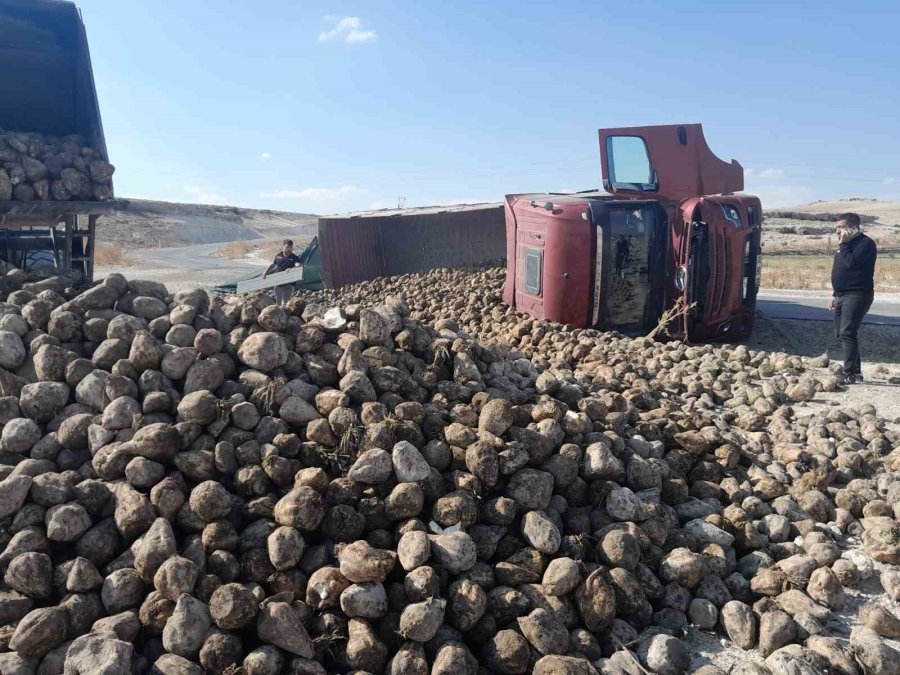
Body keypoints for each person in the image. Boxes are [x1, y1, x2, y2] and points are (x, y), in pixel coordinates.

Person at [828, 213, 876, 383]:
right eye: (836, 227)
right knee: (841, 333)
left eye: (841, 227)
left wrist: (844, 245)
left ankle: (849, 373)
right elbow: (841, 269)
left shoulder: (865, 244)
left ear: (853, 227)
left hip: (858, 294)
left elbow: (851, 263)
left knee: (848, 331)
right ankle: (856, 371)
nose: (837, 231)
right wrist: (834, 294)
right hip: (841, 295)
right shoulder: (845, 245)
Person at [263, 239, 302, 304]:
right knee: (278, 303)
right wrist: (265, 272)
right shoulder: (279, 255)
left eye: (290, 247)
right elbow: (273, 264)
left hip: (289, 283)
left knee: (286, 303)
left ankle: (286, 314)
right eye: (287, 247)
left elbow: (298, 265)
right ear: (283, 247)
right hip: (278, 282)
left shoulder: (294, 257)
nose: (289, 249)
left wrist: (291, 269)